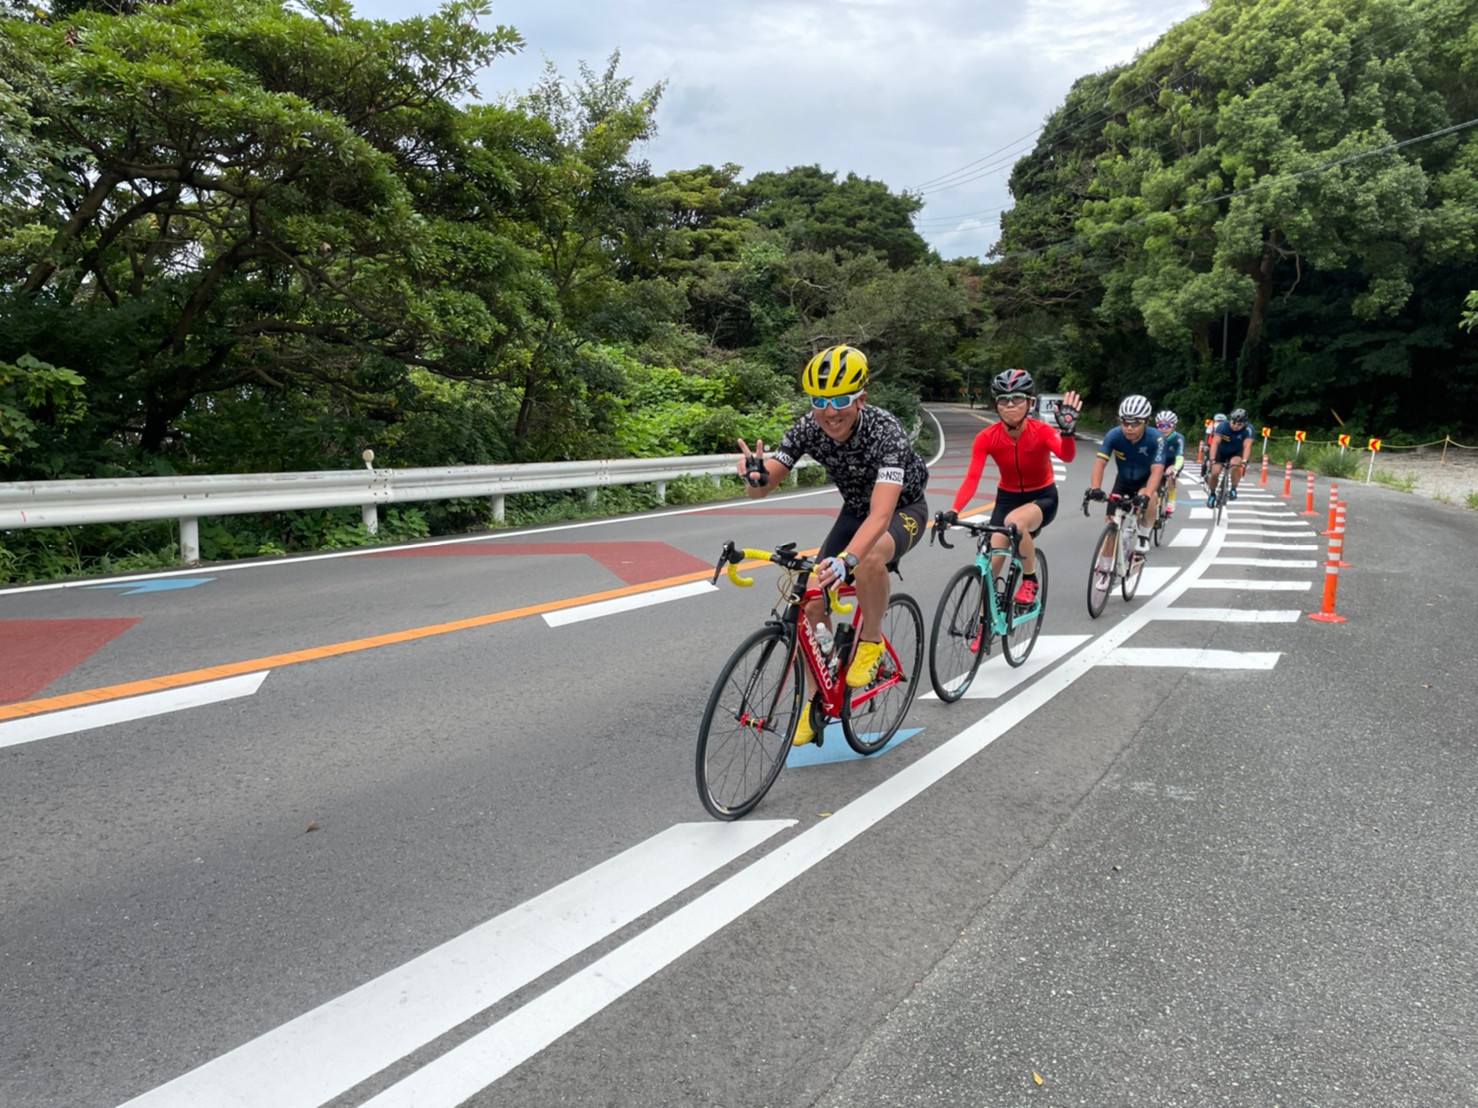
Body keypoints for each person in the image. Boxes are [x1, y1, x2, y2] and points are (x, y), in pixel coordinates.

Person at [736, 344, 930, 746]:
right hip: (854, 510)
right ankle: (819, 694)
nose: (830, 411)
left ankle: (871, 641)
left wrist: (848, 560)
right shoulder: (808, 427)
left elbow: (880, 516)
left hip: (901, 508)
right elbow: (764, 486)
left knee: (870, 558)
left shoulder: (885, 431)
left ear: (861, 397)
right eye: (820, 400)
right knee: (810, 597)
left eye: (841, 399)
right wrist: (755, 479)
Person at [940, 368, 1081, 607]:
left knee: (1015, 523)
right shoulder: (987, 437)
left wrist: (1067, 433)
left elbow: (1066, 457)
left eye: (1017, 399)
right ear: (996, 405)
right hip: (1007, 498)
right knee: (991, 565)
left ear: (1029, 403)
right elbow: (972, 478)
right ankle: (984, 624)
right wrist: (954, 510)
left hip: (1042, 497)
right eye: (1003, 400)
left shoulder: (1042, 431)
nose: (1010, 405)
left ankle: (1029, 579)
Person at [1085, 394, 1166, 560]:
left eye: (1135, 423)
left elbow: (1157, 470)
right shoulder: (1113, 435)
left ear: (1146, 421)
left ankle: (1143, 535)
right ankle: (1106, 570)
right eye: (1125, 422)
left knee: (1151, 497)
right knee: (1111, 526)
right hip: (1123, 481)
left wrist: (1146, 495)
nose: (1129, 427)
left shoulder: (1156, 438)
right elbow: (1100, 463)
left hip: (1146, 481)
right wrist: (1095, 489)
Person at [1207, 407, 1254, 505]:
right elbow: (1215, 443)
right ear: (1230, 420)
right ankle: (1212, 494)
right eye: (1234, 422)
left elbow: (1247, 446)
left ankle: (1233, 488)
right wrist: (1212, 459)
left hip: (1236, 452)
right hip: (1221, 451)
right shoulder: (1222, 426)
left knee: (1236, 465)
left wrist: (1244, 461)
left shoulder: (1248, 429)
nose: (1236, 425)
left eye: (1239, 424)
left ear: (1244, 423)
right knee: (1215, 472)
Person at [1154, 410, 1186, 515]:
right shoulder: (1153, 436)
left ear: (1174, 426)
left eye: (1168, 425)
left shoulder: (1178, 438)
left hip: (1172, 462)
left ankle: (1171, 500)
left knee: (1170, 475)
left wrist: (1176, 469)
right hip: (1157, 461)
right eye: (1161, 425)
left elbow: (1180, 457)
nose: (1164, 429)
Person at [1200, 413, 1226, 480]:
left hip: (1221, 445)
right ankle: (1202, 475)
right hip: (1210, 444)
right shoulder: (1211, 426)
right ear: (1215, 421)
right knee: (1206, 460)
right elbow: (1207, 436)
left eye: (1221, 421)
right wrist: (1205, 445)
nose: (1219, 423)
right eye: (1218, 421)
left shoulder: (1226, 428)